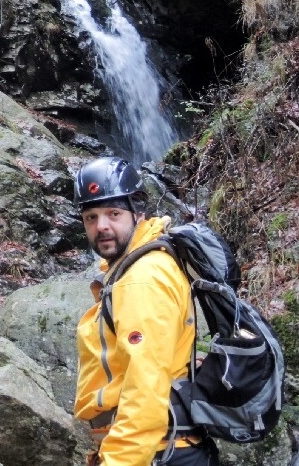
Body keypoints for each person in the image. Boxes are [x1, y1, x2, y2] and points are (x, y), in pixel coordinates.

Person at [72, 156, 218, 466]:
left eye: (113, 213)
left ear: (137, 212)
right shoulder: (142, 264)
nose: (102, 227)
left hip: (156, 453)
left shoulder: (141, 280)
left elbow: (144, 392)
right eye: (91, 217)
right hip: (164, 448)